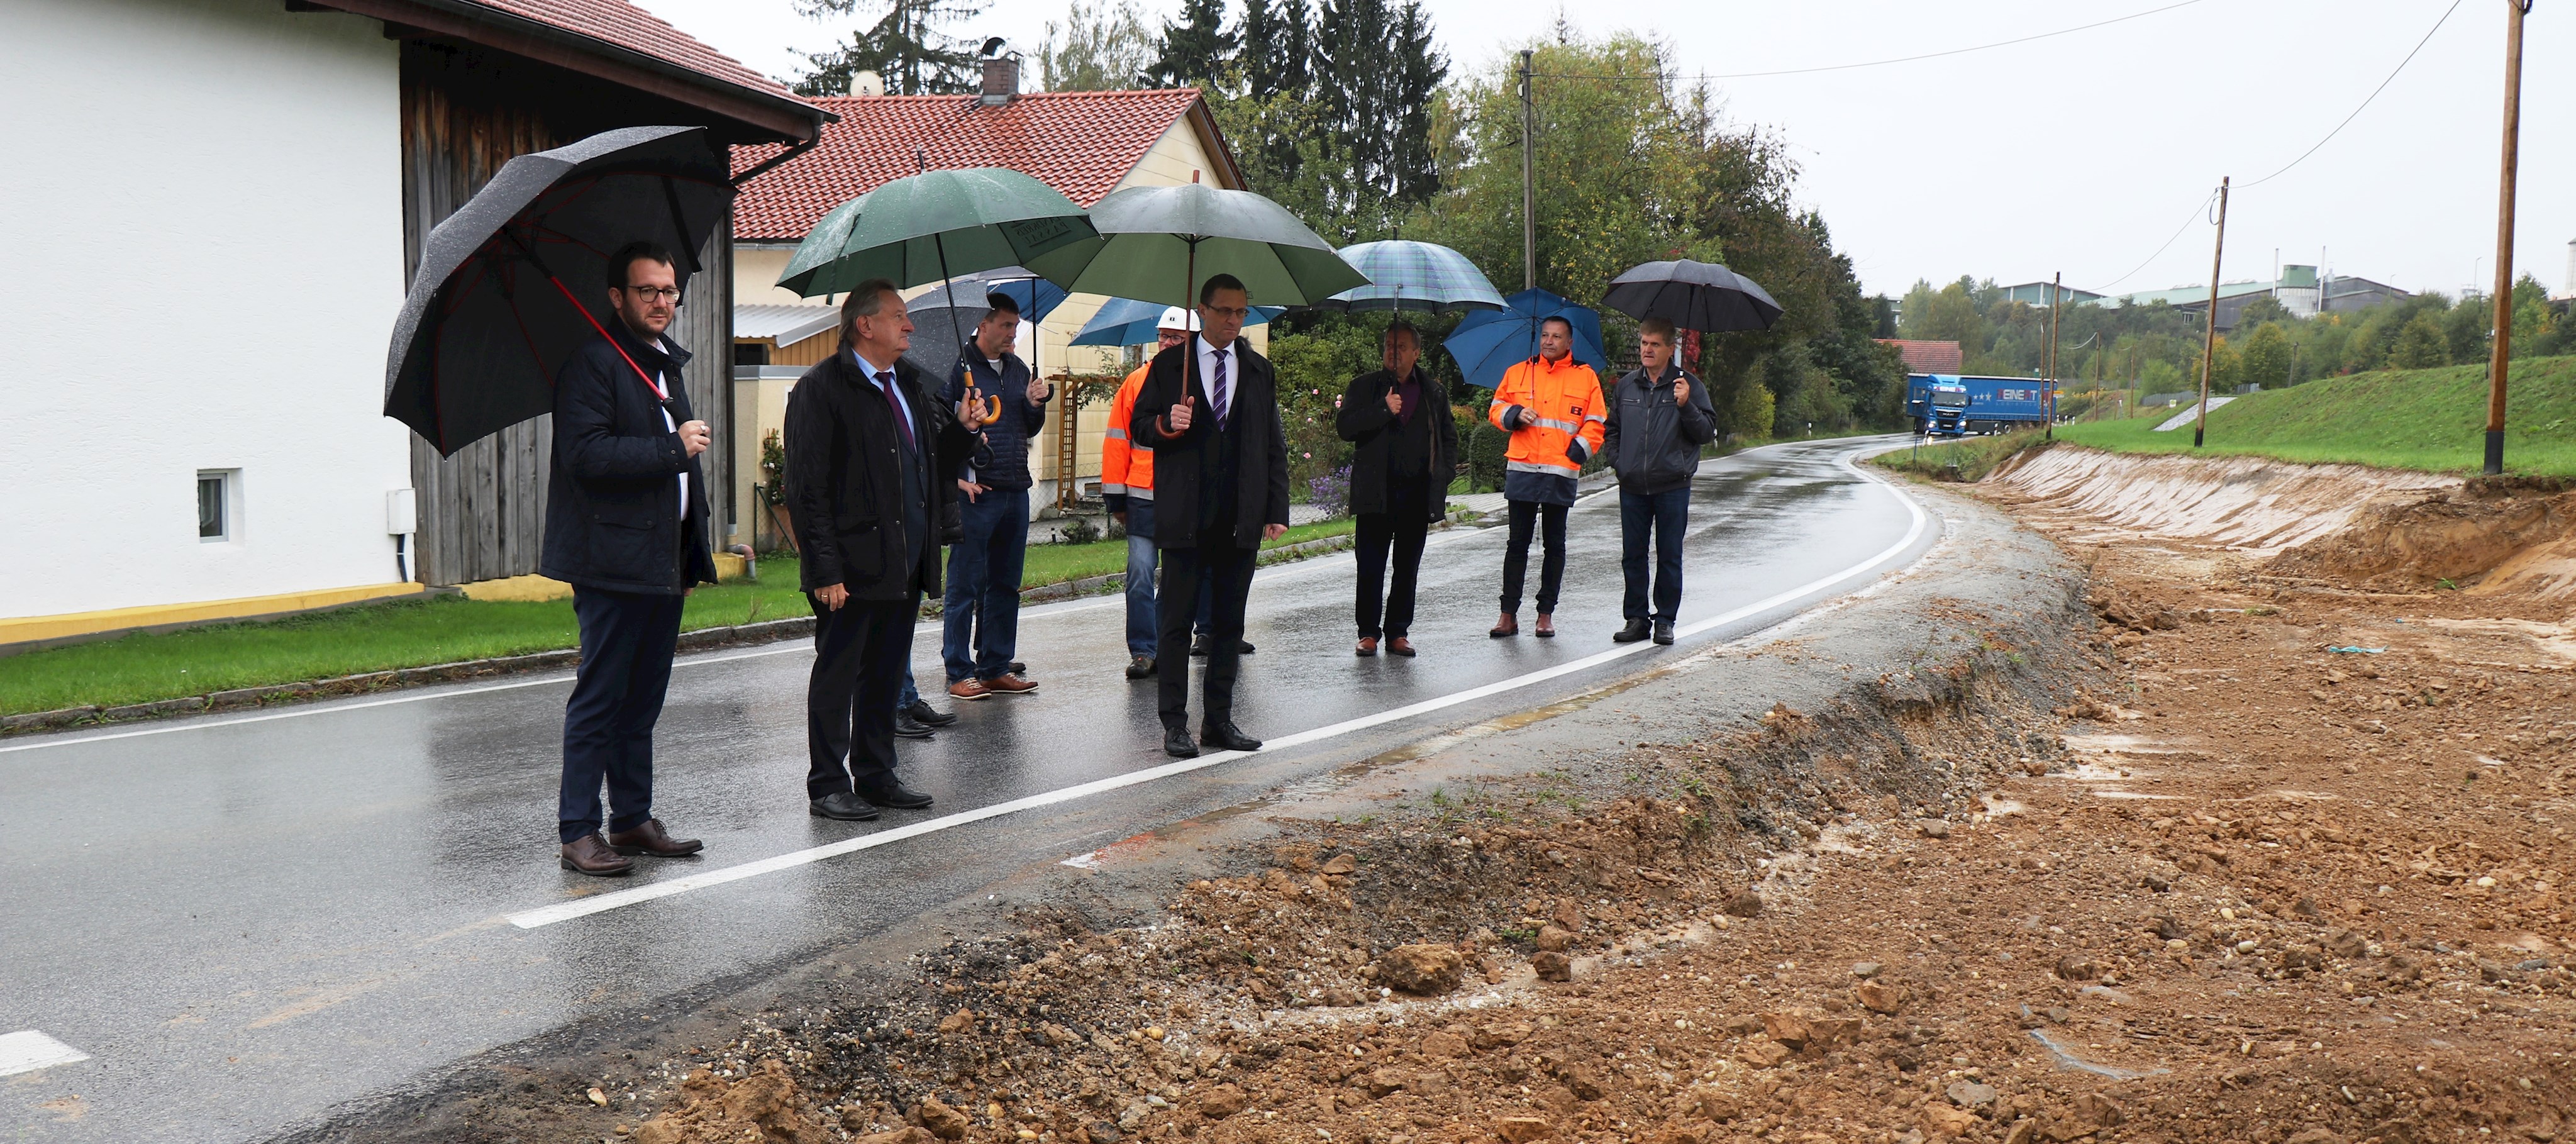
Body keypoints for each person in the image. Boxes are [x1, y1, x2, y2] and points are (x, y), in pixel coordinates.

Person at [540, 242, 716, 877]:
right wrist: (671, 448)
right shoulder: (592, 364)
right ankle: (578, 830)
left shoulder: (665, 365)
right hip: (610, 562)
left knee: (643, 699)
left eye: (669, 290)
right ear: (617, 298)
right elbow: (587, 457)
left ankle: (632, 818)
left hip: (660, 561)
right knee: (601, 698)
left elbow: (679, 484)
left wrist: (689, 556)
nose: (662, 302)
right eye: (647, 291)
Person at [785, 278, 982, 821]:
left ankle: (875, 774)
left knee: (886, 674)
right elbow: (806, 489)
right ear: (865, 325)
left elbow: (935, 460)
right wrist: (824, 568)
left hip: (904, 558)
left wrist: (965, 428)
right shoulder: (821, 389)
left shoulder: (912, 384)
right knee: (839, 674)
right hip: (849, 565)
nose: (910, 325)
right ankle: (828, 784)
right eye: (899, 316)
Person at [1131, 273, 1290, 759]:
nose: (1234, 321)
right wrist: (1165, 423)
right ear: (1202, 310)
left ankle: (1218, 720)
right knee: (1176, 623)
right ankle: (1174, 724)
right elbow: (1139, 425)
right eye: (1225, 311)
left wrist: (1276, 508)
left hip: (1239, 516)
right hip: (1185, 515)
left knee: (1228, 625)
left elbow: (1273, 445)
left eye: (1242, 312)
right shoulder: (1168, 366)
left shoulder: (1259, 371)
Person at [936, 294, 1050, 701]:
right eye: (1005, 326)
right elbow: (941, 429)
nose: (1012, 333)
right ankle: (959, 670)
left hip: (1015, 489)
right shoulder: (958, 369)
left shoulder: (1018, 370)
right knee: (964, 585)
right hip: (976, 493)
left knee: (1005, 584)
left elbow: (1027, 427)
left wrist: (1035, 405)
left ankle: (996, 665)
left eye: (1015, 327)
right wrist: (956, 477)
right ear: (983, 325)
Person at [1336, 321, 1453, 657]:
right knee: (1370, 566)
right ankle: (1368, 633)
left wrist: (1440, 482)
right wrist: (1383, 410)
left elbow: (1447, 440)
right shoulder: (1364, 387)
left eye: (1401, 347)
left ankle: (1398, 632)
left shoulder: (1433, 392)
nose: (1393, 352)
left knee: (1407, 568)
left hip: (1416, 494)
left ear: (1416, 353)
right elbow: (1346, 427)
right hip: (1375, 493)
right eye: (1389, 345)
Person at [1487, 315, 1604, 638]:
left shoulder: (1585, 377)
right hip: (1523, 469)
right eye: (1545, 336)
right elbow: (1495, 408)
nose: (1549, 341)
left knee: (1555, 546)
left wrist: (1575, 454)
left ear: (1569, 343)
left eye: (1556, 337)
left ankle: (1545, 615)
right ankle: (1507, 615)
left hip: (1560, 472)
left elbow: (1596, 424)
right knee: (1517, 545)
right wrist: (1515, 415)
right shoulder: (1518, 372)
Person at [1602, 318, 1716, 647]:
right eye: (1643, 343)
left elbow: (1706, 433)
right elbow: (1612, 430)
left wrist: (1686, 405)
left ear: (1671, 349)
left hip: (1672, 485)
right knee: (1633, 555)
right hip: (1633, 485)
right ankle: (1637, 618)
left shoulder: (1688, 386)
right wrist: (1619, 463)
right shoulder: (1627, 386)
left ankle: (1665, 620)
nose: (1647, 349)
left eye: (1655, 344)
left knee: (1669, 555)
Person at [1102, 308, 1196, 680]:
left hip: (1184, 499)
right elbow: (1116, 442)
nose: (1166, 343)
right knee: (1140, 573)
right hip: (1142, 496)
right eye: (1163, 336)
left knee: (1181, 578)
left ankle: (1175, 642)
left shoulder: (1201, 384)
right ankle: (1143, 651)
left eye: (1176, 338)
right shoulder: (1136, 382)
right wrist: (1115, 499)